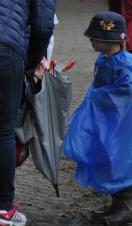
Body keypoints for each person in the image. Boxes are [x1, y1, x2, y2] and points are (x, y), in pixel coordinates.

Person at [64, 12, 132, 225]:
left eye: (95, 38)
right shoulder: (104, 59)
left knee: (123, 159)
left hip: (123, 123)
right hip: (109, 120)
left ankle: (125, 208)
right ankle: (115, 206)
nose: (91, 41)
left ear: (110, 40)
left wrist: (100, 97)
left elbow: (127, 90)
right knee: (110, 157)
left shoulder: (121, 64)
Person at [0, 0, 56, 225]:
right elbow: (43, 25)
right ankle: (3, 209)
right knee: (3, 130)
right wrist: (31, 61)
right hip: (6, 48)